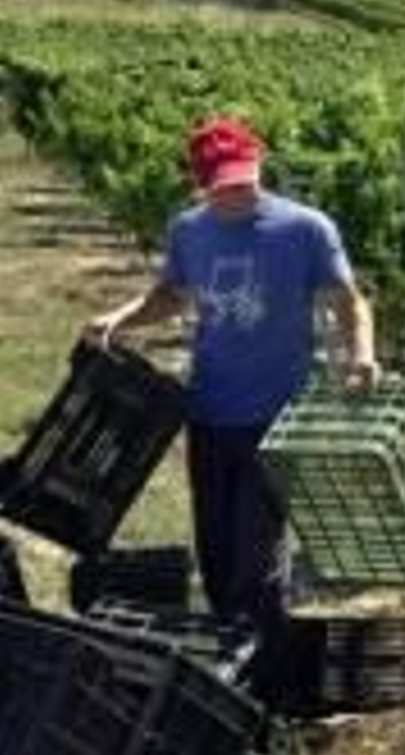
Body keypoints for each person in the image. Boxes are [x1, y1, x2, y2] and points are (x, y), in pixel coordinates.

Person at [84, 116, 378, 635]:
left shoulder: (305, 229)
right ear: (200, 183)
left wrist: (362, 356)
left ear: (258, 167)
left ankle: (265, 671)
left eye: (244, 181)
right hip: (209, 412)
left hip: (279, 416)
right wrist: (119, 318)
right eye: (222, 186)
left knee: (257, 560)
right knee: (217, 555)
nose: (235, 195)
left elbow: (349, 303)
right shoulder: (189, 230)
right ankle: (232, 659)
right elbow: (170, 296)